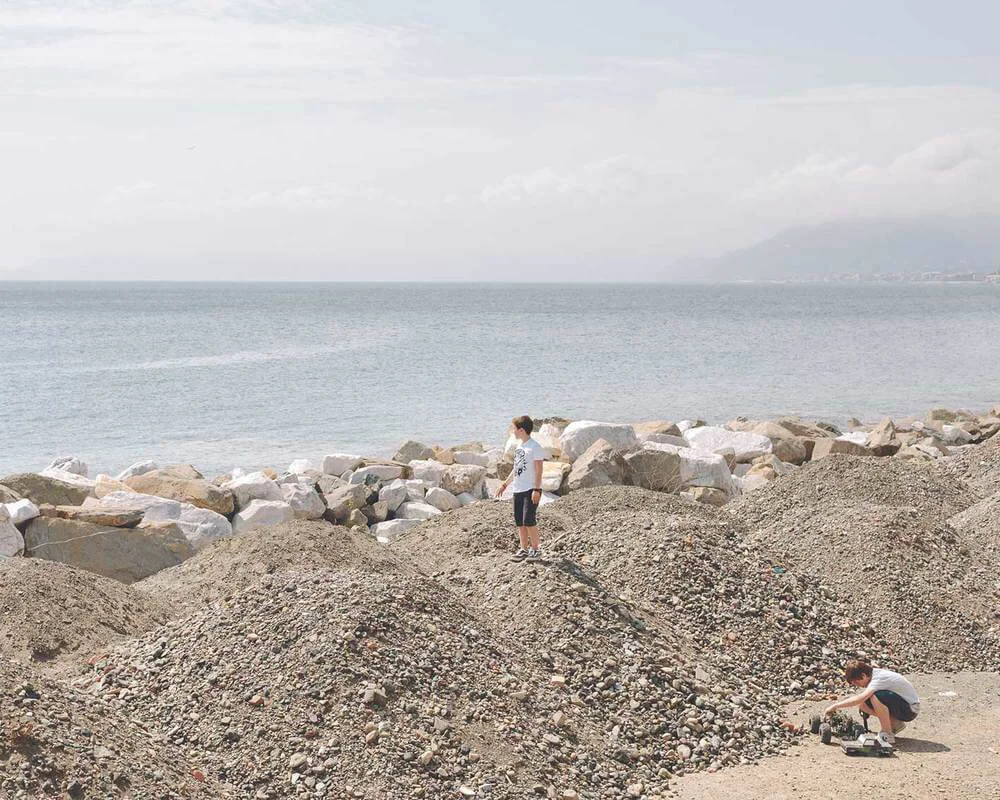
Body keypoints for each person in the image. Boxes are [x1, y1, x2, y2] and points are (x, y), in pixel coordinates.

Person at [823, 659, 920, 745]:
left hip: (910, 709)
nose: (858, 685)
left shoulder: (878, 679)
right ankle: (895, 723)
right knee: (863, 705)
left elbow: (860, 698)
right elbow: (861, 701)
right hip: (901, 705)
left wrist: (835, 706)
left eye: (857, 682)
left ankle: (887, 734)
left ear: (863, 675)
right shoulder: (874, 675)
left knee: (875, 697)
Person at [495, 415, 545, 561]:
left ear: (521, 430)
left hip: (531, 489)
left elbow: (539, 470)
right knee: (520, 521)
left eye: (514, 429)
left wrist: (536, 489)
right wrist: (505, 484)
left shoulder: (535, 447)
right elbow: (516, 469)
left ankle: (535, 550)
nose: (513, 431)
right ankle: (523, 549)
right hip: (518, 489)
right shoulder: (520, 447)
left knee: (529, 519)